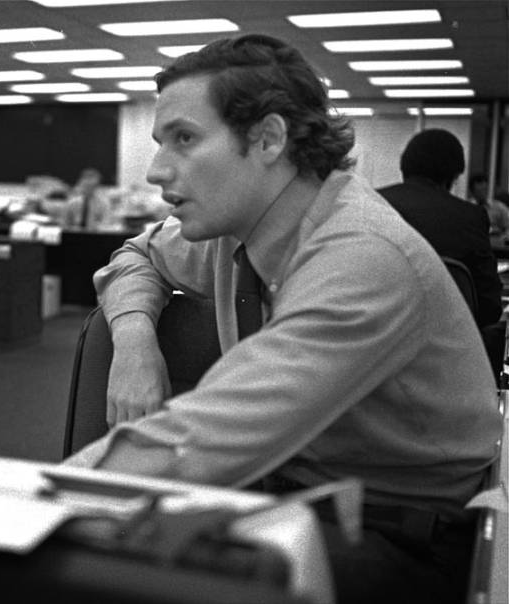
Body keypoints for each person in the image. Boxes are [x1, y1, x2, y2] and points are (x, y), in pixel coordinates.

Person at [64, 34, 501, 604]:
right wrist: (133, 337)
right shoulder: (234, 234)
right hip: (292, 499)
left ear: (268, 138)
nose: (155, 170)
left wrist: (26, 503)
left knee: (110, 576)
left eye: (184, 139)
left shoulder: (362, 256)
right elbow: (136, 255)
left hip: (399, 537)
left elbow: (212, 431)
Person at [378, 129, 503, 327]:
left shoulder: (370, 203)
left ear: (404, 167)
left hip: (372, 338)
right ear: (453, 175)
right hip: (446, 345)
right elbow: (490, 306)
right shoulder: (470, 216)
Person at [469, 172, 509, 242]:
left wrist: (503, 237)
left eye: (484, 190)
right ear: (472, 191)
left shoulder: (499, 207)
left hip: (494, 243)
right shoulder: (467, 206)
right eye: (479, 191)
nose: (483, 193)